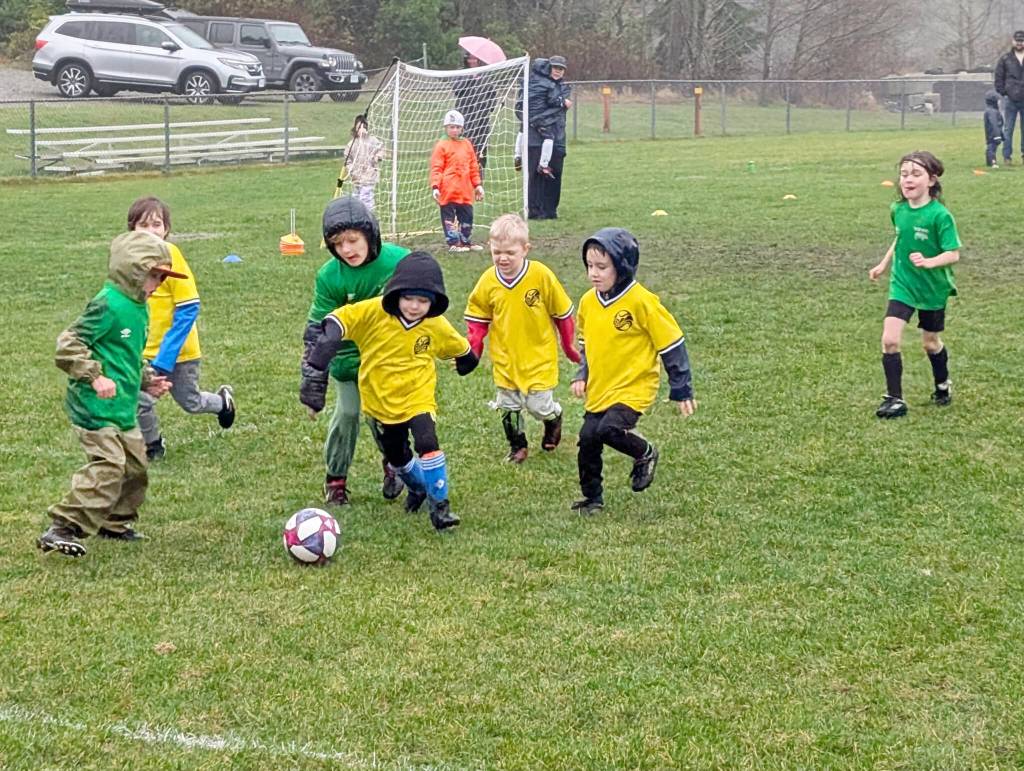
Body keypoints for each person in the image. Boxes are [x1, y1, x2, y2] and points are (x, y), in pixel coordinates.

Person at [300, 251, 479, 531]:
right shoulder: (374, 312)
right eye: (409, 298)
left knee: (427, 441)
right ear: (396, 293)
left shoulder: (435, 324)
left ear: (433, 302)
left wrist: (467, 360)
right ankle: (418, 488)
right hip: (380, 402)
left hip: (417, 397)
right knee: (397, 455)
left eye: (423, 300)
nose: (414, 306)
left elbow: (459, 347)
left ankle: (441, 507)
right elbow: (341, 319)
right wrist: (327, 343)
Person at [37, 231, 184, 557]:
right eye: (155, 275)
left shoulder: (139, 307)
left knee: (135, 467)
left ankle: (114, 524)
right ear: (133, 270)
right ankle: (62, 527)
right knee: (109, 466)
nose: (158, 284)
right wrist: (94, 376)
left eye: (163, 278)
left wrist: (147, 380)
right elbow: (68, 344)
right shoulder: (108, 304)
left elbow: (127, 355)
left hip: (122, 407)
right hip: (93, 406)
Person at [570, 228, 696, 515]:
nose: (594, 274)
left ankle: (645, 453)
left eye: (602, 267)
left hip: (634, 387)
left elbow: (672, 343)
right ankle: (592, 498)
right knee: (588, 439)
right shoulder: (589, 302)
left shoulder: (642, 302)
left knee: (610, 429)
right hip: (602, 387)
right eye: (590, 266)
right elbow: (587, 343)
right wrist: (582, 374)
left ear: (622, 265)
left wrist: (681, 388)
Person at [303, 196, 410, 506]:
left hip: (386, 358)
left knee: (383, 414)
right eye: (338, 243)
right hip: (347, 359)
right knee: (349, 412)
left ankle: (394, 463)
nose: (347, 249)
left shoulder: (400, 261)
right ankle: (335, 479)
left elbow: (426, 293)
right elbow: (317, 333)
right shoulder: (329, 276)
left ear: (370, 234)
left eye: (353, 239)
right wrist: (312, 390)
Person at [464, 213, 581, 463]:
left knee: (539, 406)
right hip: (506, 356)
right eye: (497, 252)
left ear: (525, 249)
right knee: (508, 406)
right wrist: (473, 350)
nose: (502, 258)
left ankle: (554, 418)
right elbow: (477, 318)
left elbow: (563, 313)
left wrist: (569, 347)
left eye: (509, 252)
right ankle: (518, 446)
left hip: (538, 356)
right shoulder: (488, 281)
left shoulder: (540, 275)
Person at [129, 197, 235, 462]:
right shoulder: (129, 261)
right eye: (144, 225)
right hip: (145, 352)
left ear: (166, 229)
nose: (152, 231)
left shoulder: (171, 256)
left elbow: (188, 308)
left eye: (157, 224)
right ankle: (153, 445)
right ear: (131, 229)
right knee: (140, 401)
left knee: (191, 402)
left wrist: (166, 357)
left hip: (180, 353)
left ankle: (223, 402)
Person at [868, 151, 961, 419]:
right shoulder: (897, 209)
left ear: (931, 180)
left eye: (916, 174)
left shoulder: (940, 216)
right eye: (904, 174)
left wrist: (930, 262)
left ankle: (942, 384)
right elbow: (900, 238)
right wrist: (883, 264)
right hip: (903, 284)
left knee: (930, 343)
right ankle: (894, 399)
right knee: (889, 340)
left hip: (933, 288)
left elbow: (953, 253)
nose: (908, 179)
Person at [430, 109, 485, 253]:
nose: (454, 130)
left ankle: (466, 241)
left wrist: (477, 185)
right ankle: (453, 243)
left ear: (462, 128)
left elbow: (473, 166)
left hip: (465, 191)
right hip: (448, 191)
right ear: (446, 128)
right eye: (451, 127)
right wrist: (435, 186)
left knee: (467, 216)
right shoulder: (441, 145)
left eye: (457, 127)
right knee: (449, 217)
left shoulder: (467, 144)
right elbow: (436, 167)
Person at [525, 56, 571, 220]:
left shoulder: (564, 89)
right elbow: (524, 110)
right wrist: (537, 123)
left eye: (561, 68)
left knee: (554, 174)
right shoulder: (532, 85)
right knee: (536, 175)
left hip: (557, 137)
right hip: (535, 138)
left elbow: (556, 110)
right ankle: (535, 211)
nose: (558, 71)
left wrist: (541, 119)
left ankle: (550, 211)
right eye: (555, 67)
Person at [452, 53, 498, 174]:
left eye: (475, 58)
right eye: (470, 58)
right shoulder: (461, 73)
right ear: (466, 59)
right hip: (466, 119)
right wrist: (470, 77)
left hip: (482, 121)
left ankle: (479, 178)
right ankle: (463, 175)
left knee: (481, 151)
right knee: (465, 148)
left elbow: (492, 95)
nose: (473, 61)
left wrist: (488, 107)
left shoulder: (485, 75)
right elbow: (457, 90)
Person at [342, 114, 385, 212]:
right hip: (357, 176)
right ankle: (358, 217)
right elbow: (347, 160)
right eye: (359, 127)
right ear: (355, 129)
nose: (361, 129)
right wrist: (352, 171)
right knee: (356, 198)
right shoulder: (352, 144)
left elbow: (381, 149)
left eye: (363, 127)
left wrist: (377, 157)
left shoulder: (372, 140)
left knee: (366, 198)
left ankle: (369, 217)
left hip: (369, 175)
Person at [994, 30, 1024, 165]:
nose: (1019, 43)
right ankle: (1007, 157)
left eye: (1022, 40)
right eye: (1017, 40)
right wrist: (1003, 92)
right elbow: (998, 77)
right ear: (1013, 41)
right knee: (1008, 128)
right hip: (1010, 99)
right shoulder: (1005, 59)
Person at [984, 89, 1004, 168]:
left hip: (992, 134)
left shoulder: (992, 111)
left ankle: (989, 161)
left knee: (991, 148)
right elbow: (994, 124)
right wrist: (997, 136)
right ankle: (993, 162)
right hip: (992, 134)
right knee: (991, 148)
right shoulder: (992, 112)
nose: (1000, 103)